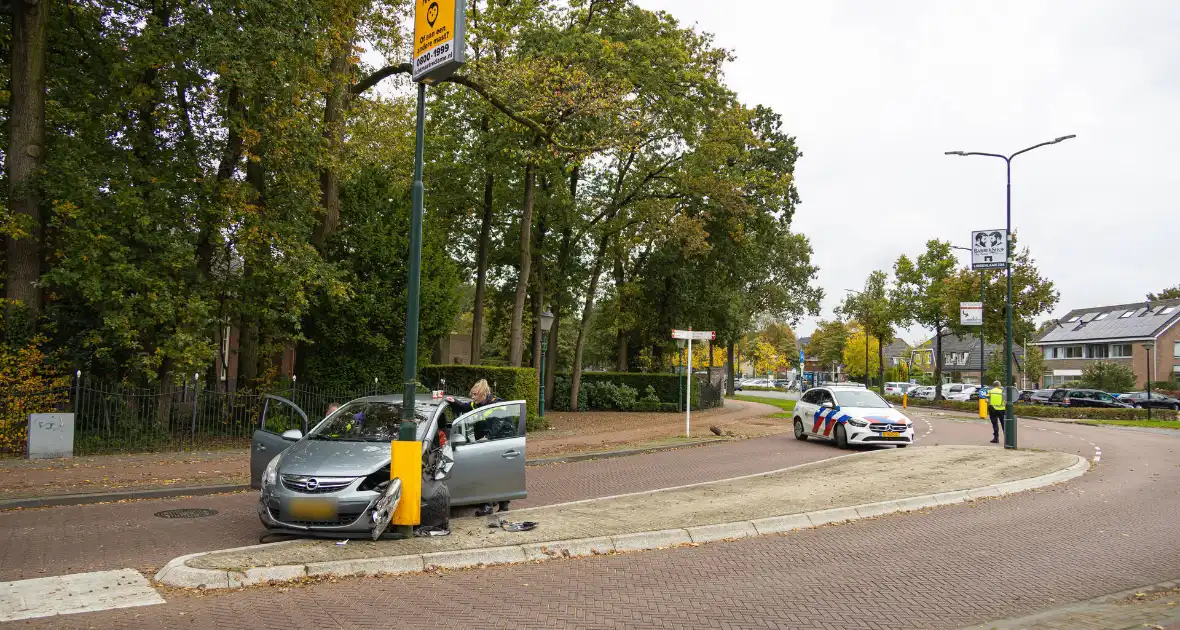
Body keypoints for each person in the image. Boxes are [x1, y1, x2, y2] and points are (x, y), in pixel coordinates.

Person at [444, 379, 508, 516]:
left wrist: (486, 440)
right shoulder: (477, 404)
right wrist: (452, 401)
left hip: (501, 440)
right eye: (472, 395)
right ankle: (496, 505)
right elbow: (463, 407)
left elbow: (497, 425)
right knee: (494, 473)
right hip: (489, 442)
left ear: (483, 394)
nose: (472, 397)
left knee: (489, 474)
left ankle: (492, 505)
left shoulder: (497, 404)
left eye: (474, 395)